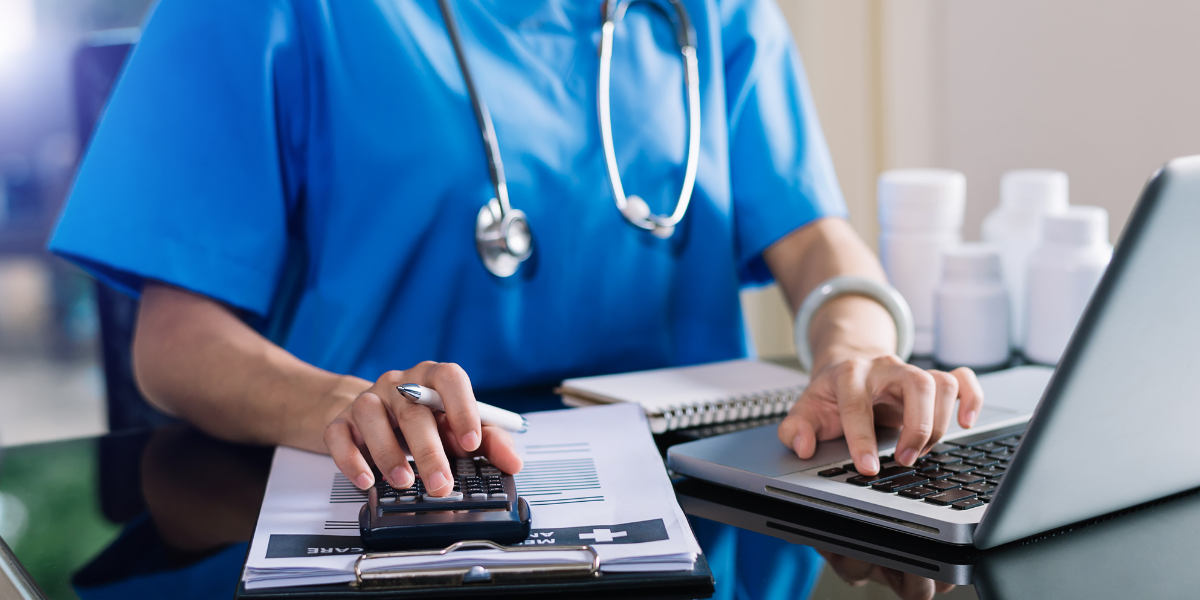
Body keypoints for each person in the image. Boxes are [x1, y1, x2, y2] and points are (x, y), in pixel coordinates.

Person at [50, 0, 982, 501]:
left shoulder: (715, 11)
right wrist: (342, 405)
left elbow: (816, 236)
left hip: (701, 510)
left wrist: (856, 353)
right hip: (404, 494)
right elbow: (172, 344)